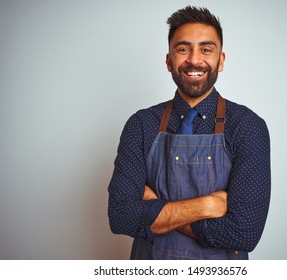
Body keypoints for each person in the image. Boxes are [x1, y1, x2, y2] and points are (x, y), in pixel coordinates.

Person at [108, 6, 270, 260]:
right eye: (183, 49)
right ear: (169, 60)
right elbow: (121, 216)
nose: (195, 60)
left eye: (206, 49)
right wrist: (206, 206)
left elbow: (244, 232)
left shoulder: (247, 126)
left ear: (221, 60)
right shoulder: (141, 124)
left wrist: (155, 209)